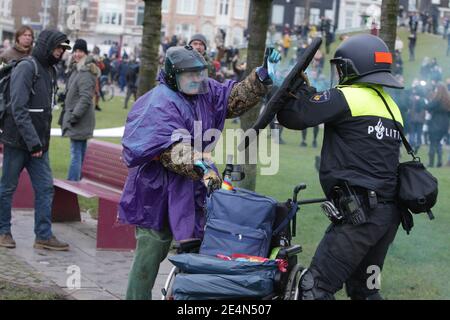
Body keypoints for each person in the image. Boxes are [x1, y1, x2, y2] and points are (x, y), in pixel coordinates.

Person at [119, 45, 281, 300]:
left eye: (200, 73)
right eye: (190, 74)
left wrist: (260, 77)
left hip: (193, 186)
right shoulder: (158, 102)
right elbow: (168, 147)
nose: (197, 79)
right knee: (150, 251)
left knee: (196, 250)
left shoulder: (204, 91)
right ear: (173, 75)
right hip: (156, 189)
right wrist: (200, 164)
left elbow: (232, 97)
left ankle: (186, 298)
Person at [276, 34, 405, 300]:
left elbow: (293, 116)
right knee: (365, 291)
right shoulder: (390, 106)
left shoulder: (348, 96)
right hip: (386, 217)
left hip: (359, 216)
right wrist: (308, 93)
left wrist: (289, 89)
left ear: (351, 66)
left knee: (314, 288)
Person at [0, 30, 71, 250]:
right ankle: (3, 232)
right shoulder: (26, 67)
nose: (60, 53)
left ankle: (43, 235)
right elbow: (18, 109)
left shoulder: (49, 70)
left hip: (39, 145)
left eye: (62, 49)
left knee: (45, 188)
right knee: (7, 188)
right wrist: (33, 143)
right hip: (18, 141)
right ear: (47, 46)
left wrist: (39, 144)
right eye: (58, 48)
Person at [60, 39, 100, 181]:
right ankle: (80, 180)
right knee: (80, 151)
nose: (77, 54)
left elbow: (85, 98)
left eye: (80, 51)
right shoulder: (77, 69)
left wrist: (74, 116)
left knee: (76, 153)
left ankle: (72, 182)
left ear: (85, 53)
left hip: (79, 118)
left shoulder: (85, 72)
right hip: (78, 117)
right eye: (75, 51)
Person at [426, 84, 450, 167]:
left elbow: (427, 107)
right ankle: (439, 162)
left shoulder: (437, 100)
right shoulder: (447, 101)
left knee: (433, 143)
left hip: (435, 123)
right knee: (439, 143)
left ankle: (431, 163)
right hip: (445, 124)